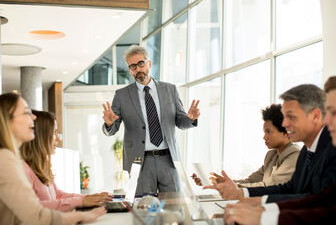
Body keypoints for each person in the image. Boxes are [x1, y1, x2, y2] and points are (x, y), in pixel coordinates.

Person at [0, 93, 106, 224]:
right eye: (26, 113)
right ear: (5, 120)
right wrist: (80, 216)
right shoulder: (1, 159)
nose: (33, 117)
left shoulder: (0, 157)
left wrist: (84, 202)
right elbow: (36, 215)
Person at [224, 76, 336, 225]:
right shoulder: (305, 152)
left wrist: (265, 214)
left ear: (315, 116)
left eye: (291, 117)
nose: (284, 124)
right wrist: (255, 200)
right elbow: (296, 191)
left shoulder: (330, 149)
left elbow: (324, 206)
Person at [102, 45, 200, 194]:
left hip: (168, 160)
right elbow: (112, 129)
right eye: (133, 66)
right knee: (143, 209)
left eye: (141, 63)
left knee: (174, 205)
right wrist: (109, 124)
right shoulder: (121, 95)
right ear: (130, 70)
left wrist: (190, 118)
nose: (138, 69)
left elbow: (180, 121)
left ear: (149, 63)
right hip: (139, 162)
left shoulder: (170, 90)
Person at [20, 110, 113, 212]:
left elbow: (58, 195)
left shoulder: (42, 165)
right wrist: (80, 202)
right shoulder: (22, 169)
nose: (57, 139)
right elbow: (33, 208)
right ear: (41, 135)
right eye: (54, 132)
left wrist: (88, 198)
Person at [192, 104, 300, 188]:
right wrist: (220, 182)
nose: (264, 137)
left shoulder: (295, 156)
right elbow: (249, 182)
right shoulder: (271, 156)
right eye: (264, 132)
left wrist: (229, 186)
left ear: (286, 132)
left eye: (268, 132)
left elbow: (270, 186)